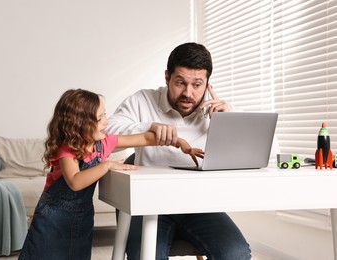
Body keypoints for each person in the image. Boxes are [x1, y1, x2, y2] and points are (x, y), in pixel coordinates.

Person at [18, 88, 202, 260]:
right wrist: (106, 165)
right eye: (99, 118)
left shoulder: (103, 143)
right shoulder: (67, 149)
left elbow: (145, 137)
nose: (106, 121)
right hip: (53, 219)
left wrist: (180, 142)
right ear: (80, 124)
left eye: (104, 114)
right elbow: (75, 181)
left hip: (82, 217)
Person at [107, 42, 251, 260]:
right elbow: (106, 137)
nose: (188, 93)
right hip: (150, 204)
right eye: (180, 83)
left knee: (237, 254)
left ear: (207, 84)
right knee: (144, 256)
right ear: (167, 78)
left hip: (200, 204)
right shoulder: (142, 100)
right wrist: (148, 128)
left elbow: (268, 151)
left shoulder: (220, 112)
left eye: (197, 85)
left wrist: (231, 122)